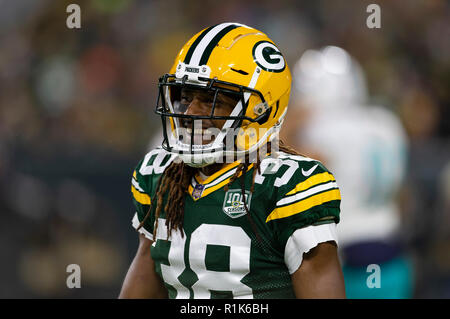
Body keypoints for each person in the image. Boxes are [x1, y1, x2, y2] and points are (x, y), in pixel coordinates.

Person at [119, 23, 345, 299]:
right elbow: (144, 277)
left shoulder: (287, 185)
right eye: (185, 97)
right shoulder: (159, 175)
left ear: (260, 111)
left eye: (211, 100)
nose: (190, 113)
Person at [283, 46, 414, 298]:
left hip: (347, 261)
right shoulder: (387, 122)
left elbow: (273, 160)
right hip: (393, 254)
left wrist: (288, 125)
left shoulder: (320, 131)